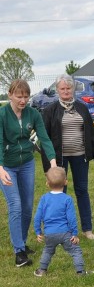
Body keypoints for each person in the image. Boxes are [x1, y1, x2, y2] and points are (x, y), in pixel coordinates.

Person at [0, 79, 57, 268]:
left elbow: (44, 138)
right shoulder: (2, 114)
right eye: (19, 96)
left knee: (26, 206)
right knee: (15, 205)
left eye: (26, 96)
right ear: (10, 95)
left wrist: (53, 163)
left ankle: (22, 242)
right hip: (6, 165)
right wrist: (0, 168)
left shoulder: (33, 114)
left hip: (26, 164)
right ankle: (19, 252)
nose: (23, 100)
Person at [42, 74, 94, 240]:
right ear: (57, 90)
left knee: (82, 191)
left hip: (80, 157)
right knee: (61, 193)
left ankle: (87, 229)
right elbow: (44, 139)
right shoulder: (50, 111)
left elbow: (92, 134)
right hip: (59, 159)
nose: (65, 91)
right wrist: (49, 166)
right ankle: (63, 230)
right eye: (62, 88)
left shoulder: (82, 108)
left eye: (68, 88)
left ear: (73, 89)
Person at [33, 167, 90, 276]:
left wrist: (38, 232)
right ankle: (80, 272)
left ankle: (42, 270)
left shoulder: (44, 198)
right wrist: (74, 233)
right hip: (65, 233)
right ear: (66, 182)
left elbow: (37, 217)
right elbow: (71, 218)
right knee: (75, 251)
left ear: (47, 183)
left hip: (49, 233)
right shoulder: (67, 199)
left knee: (48, 250)